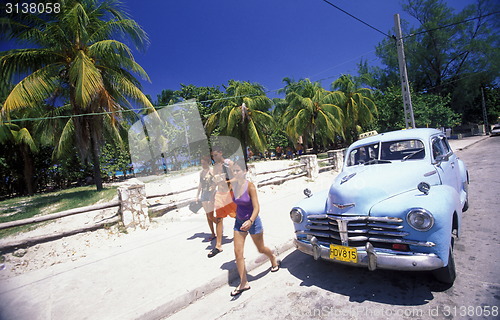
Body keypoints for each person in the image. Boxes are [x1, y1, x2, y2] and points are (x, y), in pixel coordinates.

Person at [229, 160, 280, 296]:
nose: (235, 173)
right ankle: (243, 282)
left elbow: (257, 207)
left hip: (253, 222)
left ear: (245, 171)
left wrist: (250, 221)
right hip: (239, 223)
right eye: (233, 171)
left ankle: (272, 257)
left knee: (261, 248)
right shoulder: (233, 185)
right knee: (238, 253)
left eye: (238, 170)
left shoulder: (250, 186)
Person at [208, 146, 237, 258]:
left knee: (238, 215)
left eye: (215, 155)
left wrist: (227, 181)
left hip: (230, 194)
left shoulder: (229, 163)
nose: (214, 158)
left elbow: (237, 177)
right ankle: (218, 245)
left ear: (220, 153)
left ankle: (249, 225)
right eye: (212, 156)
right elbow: (215, 181)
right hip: (220, 195)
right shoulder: (215, 167)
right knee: (219, 219)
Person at [196, 156, 216, 241]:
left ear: (208, 163)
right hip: (203, 194)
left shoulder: (212, 171)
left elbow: (216, 182)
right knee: (207, 215)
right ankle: (212, 233)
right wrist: (197, 195)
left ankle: (219, 224)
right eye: (201, 163)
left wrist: (212, 192)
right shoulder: (201, 173)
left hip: (210, 194)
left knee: (211, 215)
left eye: (204, 163)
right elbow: (200, 184)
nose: (203, 165)